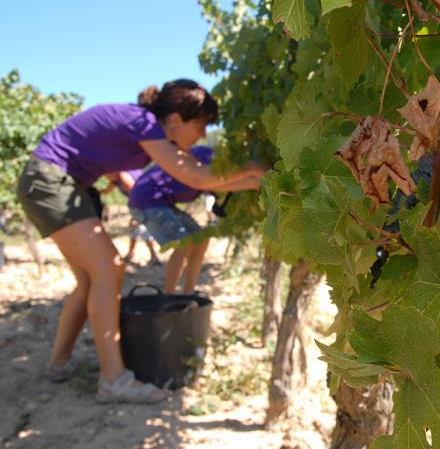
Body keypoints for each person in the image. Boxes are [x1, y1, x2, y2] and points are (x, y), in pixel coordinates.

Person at [16, 79, 265, 403]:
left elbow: (122, 162)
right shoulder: (144, 123)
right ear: (176, 119)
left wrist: (251, 182)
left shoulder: (144, 128)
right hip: (51, 181)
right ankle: (114, 380)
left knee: (90, 281)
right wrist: (255, 169)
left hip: (57, 182)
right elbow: (194, 176)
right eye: (201, 126)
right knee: (109, 269)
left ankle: (59, 364)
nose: (203, 135)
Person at [129, 145, 227, 294]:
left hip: (162, 202)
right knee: (184, 244)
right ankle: (169, 297)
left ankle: (188, 293)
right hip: (147, 200)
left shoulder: (216, 162)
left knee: (201, 239)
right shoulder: (211, 161)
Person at [98, 170, 161, 266]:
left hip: (145, 206)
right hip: (139, 207)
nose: (105, 177)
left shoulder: (123, 177)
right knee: (135, 231)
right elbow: (106, 191)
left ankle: (154, 257)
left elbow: (138, 196)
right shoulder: (116, 180)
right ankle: (131, 254)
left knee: (142, 230)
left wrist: (137, 217)